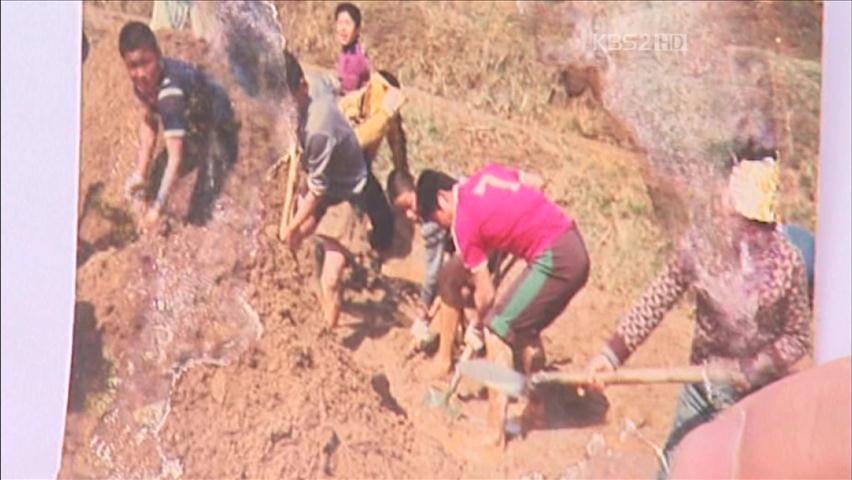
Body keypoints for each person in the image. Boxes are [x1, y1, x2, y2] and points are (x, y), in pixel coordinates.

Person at [583, 153, 812, 478]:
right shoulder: (702, 249)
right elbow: (657, 299)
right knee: (673, 469)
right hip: (701, 386)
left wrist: (755, 366)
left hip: (759, 396)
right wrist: (612, 354)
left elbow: (797, 337)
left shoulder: (788, 263)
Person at [416, 163, 590, 449]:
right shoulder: (486, 174)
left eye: (438, 219)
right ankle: (537, 409)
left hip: (556, 258)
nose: (444, 226)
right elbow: (537, 180)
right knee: (520, 323)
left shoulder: (463, 223)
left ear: (442, 199)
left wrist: (478, 325)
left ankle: (494, 434)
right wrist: (511, 227)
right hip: (568, 242)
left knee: (498, 329)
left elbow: (486, 292)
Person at [279, 50, 384, 329]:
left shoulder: (319, 127)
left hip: (346, 193)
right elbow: (332, 83)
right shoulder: (310, 87)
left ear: (301, 88)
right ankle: (299, 294)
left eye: (287, 100)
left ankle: (328, 333)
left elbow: (318, 190)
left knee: (331, 277)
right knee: (292, 241)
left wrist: (291, 225)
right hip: (320, 175)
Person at [119, 21, 238, 227]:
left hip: (219, 122)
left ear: (158, 54)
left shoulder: (170, 94)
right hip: (193, 114)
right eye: (133, 66)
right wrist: (140, 171)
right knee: (152, 180)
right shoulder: (144, 84)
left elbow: (176, 158)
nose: (140, 73)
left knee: (200, 214)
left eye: (145, 62)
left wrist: (157, 209)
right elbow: (149, 120)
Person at [334, 2, 370, 96]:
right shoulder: (347, 52)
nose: (343, 28)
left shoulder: (355, 57)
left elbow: (348, 92)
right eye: (340, 23)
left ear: (357, 29)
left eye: (347, 23)